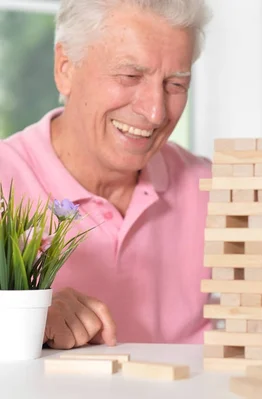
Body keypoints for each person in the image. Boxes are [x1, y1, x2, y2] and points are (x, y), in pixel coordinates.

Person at [0, 0, 212, 349]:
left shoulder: (218, 191)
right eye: (130, 76)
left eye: (175, 84)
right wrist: (23, 320)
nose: (156, 112)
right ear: (65, 68)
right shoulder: (5, 179)